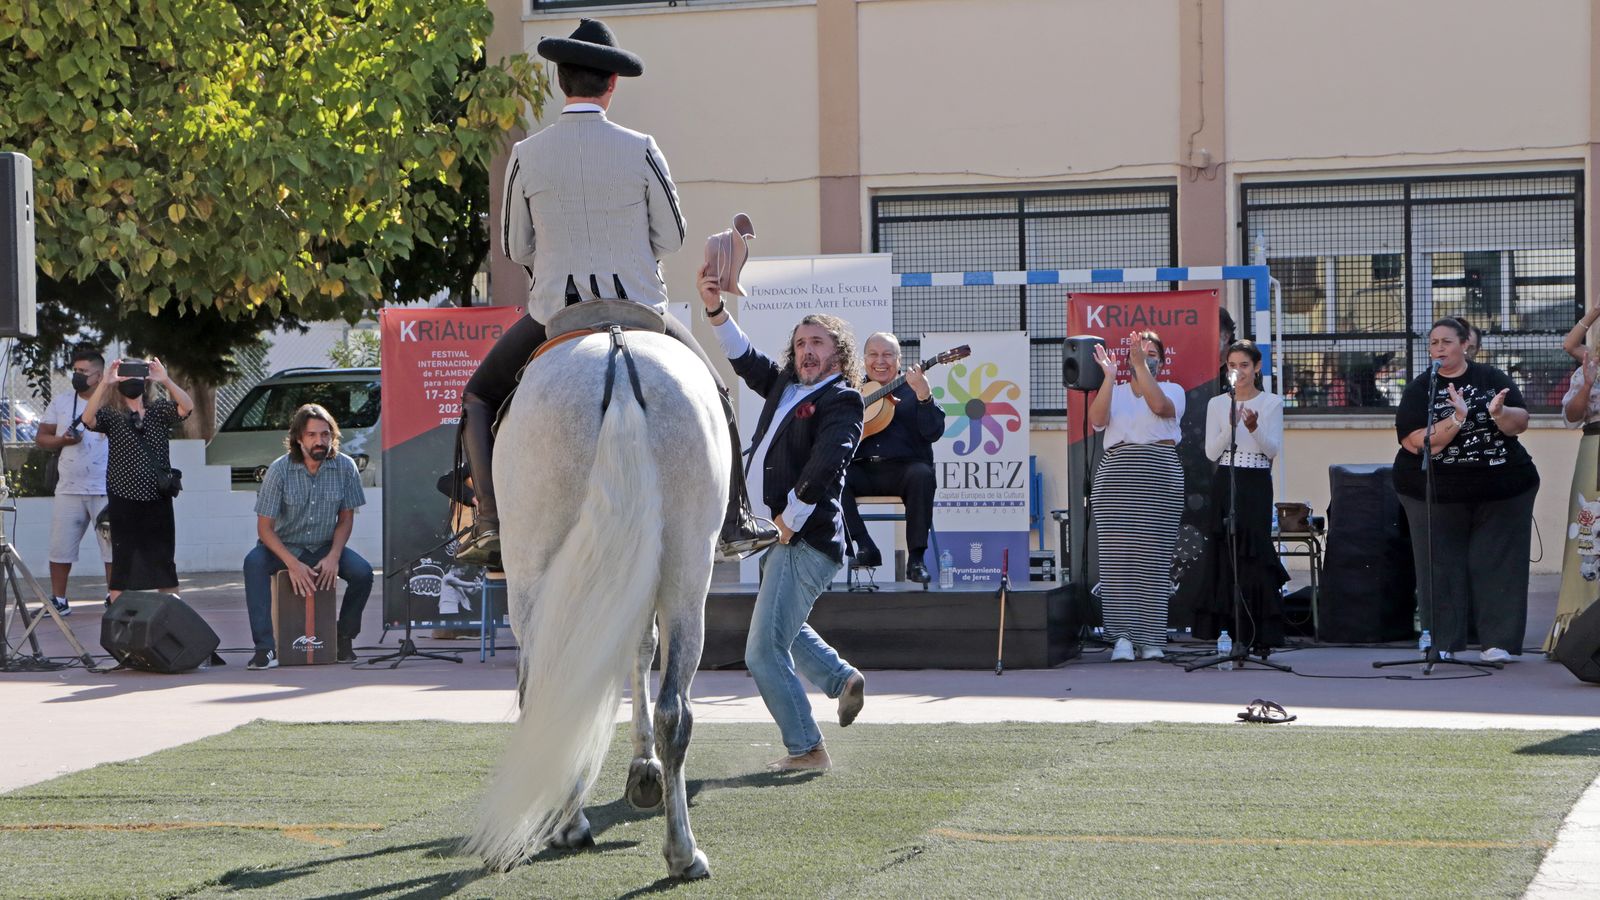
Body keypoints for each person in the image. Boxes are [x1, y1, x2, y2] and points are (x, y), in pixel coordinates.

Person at [456, 17, 772, 564]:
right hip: (641, 313)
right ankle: (733, 519)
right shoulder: (642, 147)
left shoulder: (527, 155)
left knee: (479, 397)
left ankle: (487, 520)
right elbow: (670, 236)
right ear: (612, 84)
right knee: (716, 394)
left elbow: (514, 246)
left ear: (560, 81)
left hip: (557, 314)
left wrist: (559, 263)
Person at [701, 265, 866, 772]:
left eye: (817, 343)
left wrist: (789, 520)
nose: (807, 351)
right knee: (787, 630)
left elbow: (828, 463)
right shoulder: (786, 388)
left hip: (803, 539)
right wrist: (714, 309)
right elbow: (745, 358)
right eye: (800, 344)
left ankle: (807, 749)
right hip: (783, 538)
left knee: (763, 651)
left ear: (837, 353)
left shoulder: (842, 398)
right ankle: (841, 680)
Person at [1393, 318, 1539, 664]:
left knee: (1497, 564)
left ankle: (1497, 642)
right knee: (1440, 565)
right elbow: (1418, 443)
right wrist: (1456, 419)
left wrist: (1500, 413)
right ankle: (1442, 639)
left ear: (1465, 345)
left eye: (1446, 341)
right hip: (1434, 490)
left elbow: (1519, 423)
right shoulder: (1420, 388)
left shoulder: (1492, 378)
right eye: (1433, 343)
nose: (1439, 348)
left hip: (1503, 488)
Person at [242, 404, 372, 669]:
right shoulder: (279, 470)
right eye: (312, 435)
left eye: (325, 434)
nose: (319, 441)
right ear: (299, 439)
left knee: (363, 573)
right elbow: (264, 528)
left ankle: (343, 638)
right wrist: (293, 564)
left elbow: (346, 519)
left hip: (324, 545)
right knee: (253, 563)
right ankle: (265, 648)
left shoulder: (346, 467)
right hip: (283, 546)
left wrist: (334, 556)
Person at [1087, 331, 1186, 662]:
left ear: (1162, 359)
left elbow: (1159, 407)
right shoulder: (1114, 390)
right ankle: (1122, 638)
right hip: (1117, 477)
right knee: (1118, 562)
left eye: (1153, 353)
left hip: (1159, 476)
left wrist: (1139, 364)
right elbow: (1097, 422)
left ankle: (1151, 638)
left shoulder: (1172, 390)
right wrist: (1112, 376)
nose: (1147, 357)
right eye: (1142, 352)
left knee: (1154, 560)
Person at [1194, 341, 1288, 656]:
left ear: (1257, 367)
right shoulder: (1218, 404)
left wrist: (1254, 427)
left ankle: (1259, 632)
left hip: (1256, 482)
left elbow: (1272, 449)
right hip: (1227, 480)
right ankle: (1227, 630)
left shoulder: (1272, 402)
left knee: (1254, 551)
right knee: (1226, 550)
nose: (1238, 371)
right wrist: (1231, 427)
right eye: (1232, 365)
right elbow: (1210, 451)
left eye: (1244, 365)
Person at [79, 358, 193, 603]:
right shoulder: (112, 414)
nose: (132, 382)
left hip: (157, 499)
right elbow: (87, 420)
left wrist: (165, 379)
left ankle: (171, 618)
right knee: (124, 562)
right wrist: (105, 382)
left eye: (137, 376)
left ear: (146, 380)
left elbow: (186, 407)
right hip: (123, 499)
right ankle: (120, 622)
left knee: (164, 561)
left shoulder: (158, 410)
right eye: (126, 376)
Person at [841, 332, 944, 582]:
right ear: (864, 360)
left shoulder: (915, 389)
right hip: (862, 470)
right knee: (832, 477)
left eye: (888, 355)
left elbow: (933, 432)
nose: (881, 361)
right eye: (874, 354)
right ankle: (865, 546)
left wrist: (924, 397)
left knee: (922, 475)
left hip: (904, 471)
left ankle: (917, 560)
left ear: (899, 360)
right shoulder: (853, 392)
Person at [34, 347, 113, 615]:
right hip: (69, 488)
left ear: (99, 375)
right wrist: (62, 440)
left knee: (112, 549)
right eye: (75, 371)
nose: (77, 375)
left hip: (106, 487)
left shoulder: (114, 401)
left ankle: (115, 597)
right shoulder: (62, 401)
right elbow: (41, 437)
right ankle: (59, 600)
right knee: (60, 548)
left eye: (83, 372)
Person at [1551, 330, 1600, 652]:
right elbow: (1571, 416)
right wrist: (1586, 385)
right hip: (1595, 447)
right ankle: (1582, 634)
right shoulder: (1589, 366)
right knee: (1588, 533)